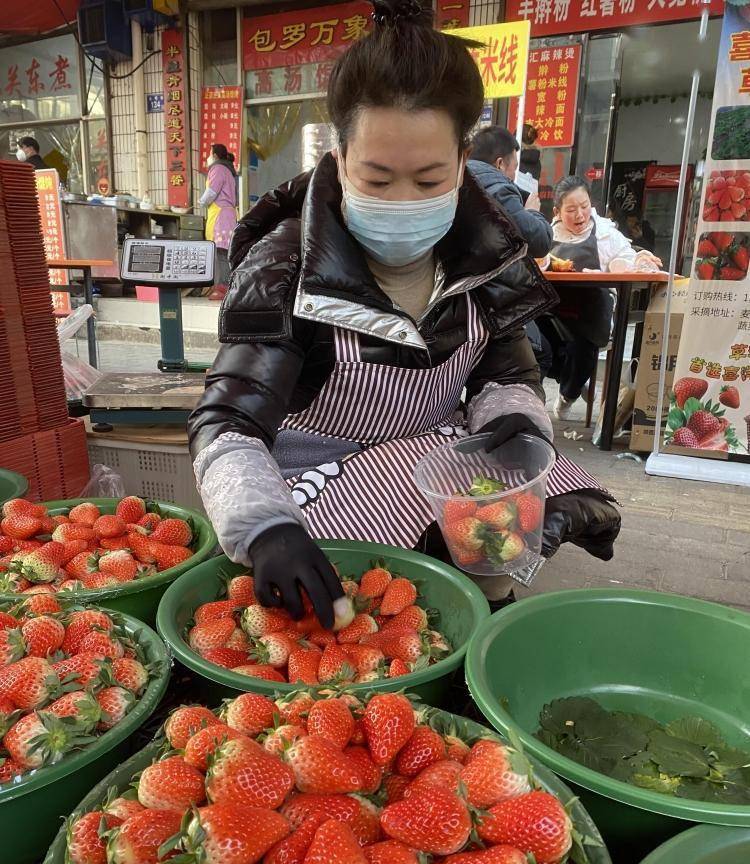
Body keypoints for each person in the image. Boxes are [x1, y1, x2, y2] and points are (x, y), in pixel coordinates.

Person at [187, 0, 621, 628]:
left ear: (462, 160)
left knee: (517, 508)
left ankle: (487, 620)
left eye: (427, 180)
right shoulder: (287, 267)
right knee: (358, 614)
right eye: (378, 178)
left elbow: (506, 377)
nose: (402, 201)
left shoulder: (489, 255)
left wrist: (518, 425)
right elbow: (229, 422)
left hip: (438, 461)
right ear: (339, 158)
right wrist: (266, 528)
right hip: (320, 486)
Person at [540, 175, 660, 420]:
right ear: (557, 211)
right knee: (536, 345)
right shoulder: (546, 236)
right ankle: (563, 382)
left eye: (584, 207)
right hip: (552, 311)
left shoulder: (606, 233)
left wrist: (640, 259)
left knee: (583, 349)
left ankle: (569, 392)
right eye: (571, 210)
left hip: (590, 313)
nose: (580, 215)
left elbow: (627, 258)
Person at [468, 126, 552, 258]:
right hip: (491, 277)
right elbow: (541, 242)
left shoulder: (455, 183)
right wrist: (533, 212)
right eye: (515, 168)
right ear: (500, 164)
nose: (514, 176)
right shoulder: (500, 192)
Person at [199, 142, 238, 290]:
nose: (208, 157)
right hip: (227, 214)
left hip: (221, 215)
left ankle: (222, 286)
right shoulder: (228, 170)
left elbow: (212, 192)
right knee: (224, 250)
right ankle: (224, 285)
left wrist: (201, 202)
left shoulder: (218, 168)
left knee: (220, 251)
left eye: (209, 154)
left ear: (214, 155)